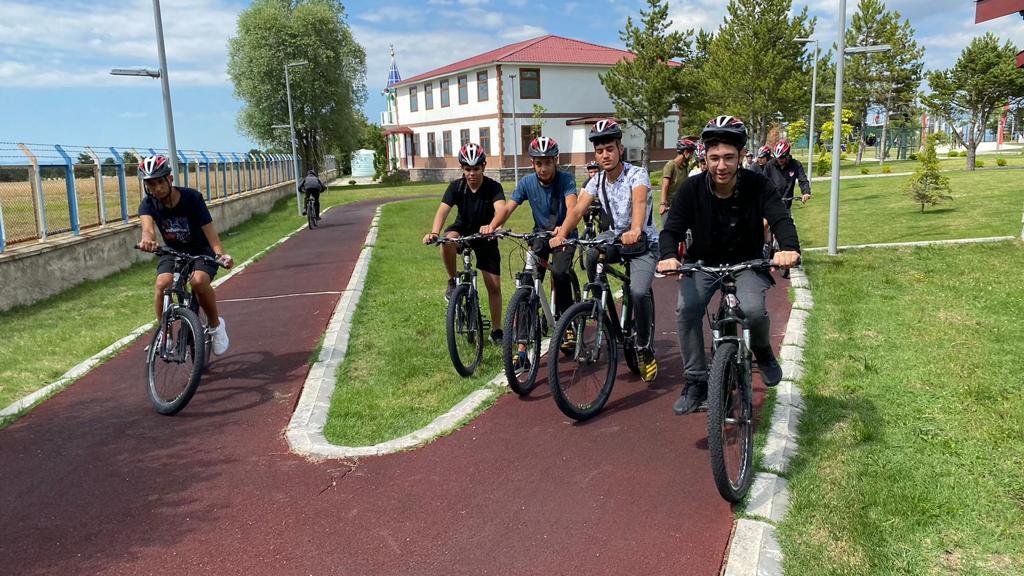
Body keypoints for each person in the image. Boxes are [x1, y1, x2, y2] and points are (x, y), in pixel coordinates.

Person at [657, 116, 801, 415]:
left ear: (741, 156)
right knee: (687, 309)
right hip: (702, 264)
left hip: (747, 261)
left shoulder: (758, 185)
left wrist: (788, 248)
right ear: (704, 157)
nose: (721, 166)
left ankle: (762, 350)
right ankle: (696, 380)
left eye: (728, 158)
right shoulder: (692, 189)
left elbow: (780, 218)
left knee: (752, 310)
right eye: (714, 158)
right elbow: (671, 229)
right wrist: (669, 254)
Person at [550, 118, 659, 382]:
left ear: (620, 149)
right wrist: (562, 234)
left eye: (609, 148)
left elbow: (640, 202)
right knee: (589, 254)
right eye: (599, 151)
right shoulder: (596, 181)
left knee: (639, 290)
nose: (605, 155)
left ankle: (643, 346)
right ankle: (601, 300)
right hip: (614, 239)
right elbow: (577, 209)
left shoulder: (637, 174)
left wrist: (634, 230)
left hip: (642, 241)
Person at [489, 136, 578, 368]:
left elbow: (572, 206)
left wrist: (563, 230)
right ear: (532, 163)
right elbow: (509, 207)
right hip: (540, 235)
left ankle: (567, 325)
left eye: (548, 162)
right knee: (527, 283)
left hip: (564, 234)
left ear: (555, 161)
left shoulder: (566, 180)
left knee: (559, 273)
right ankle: (521, 349)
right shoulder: (527, 183)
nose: (544, 168)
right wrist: (492, 226)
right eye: (539, 163)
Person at [136, 154, 234, 355]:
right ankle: (166, 335)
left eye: (159, 182)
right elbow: (148, 229)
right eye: (150, 184)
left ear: (170, 179)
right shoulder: (148, 204)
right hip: (173, 252)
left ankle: (216, 326)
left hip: (201, 251)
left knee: (198, 281)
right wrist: (148, 240)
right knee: (162, 284)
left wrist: (220, 255)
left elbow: (211, 233)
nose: (156, 188)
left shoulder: (192, 198)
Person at [423, 143, 506, 344]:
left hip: (486, 234)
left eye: (476, 168)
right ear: (462, 169)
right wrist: (434, 232)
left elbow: (502, 209)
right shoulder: (456, 187)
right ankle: (452, 281)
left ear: (484, 166)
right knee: (446, 241)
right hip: (463, 228)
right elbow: (443, 210)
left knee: (493, 286)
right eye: (467, 169)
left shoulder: (493, 187)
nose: (472, 174)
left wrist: (492, 226)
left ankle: (496, 331)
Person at [764, 139, 811, 208]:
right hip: (771, 203)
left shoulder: (796, 165)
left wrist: (806, 192)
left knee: (788, 218)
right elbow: (763, 181)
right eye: (777, 158)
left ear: (787, 155)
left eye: (782, 157)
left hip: (786, 204)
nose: (779, 160)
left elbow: (803, 180)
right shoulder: (770, 165)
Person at [660, 138, 697, 219]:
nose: (692, 155)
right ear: (685, 152)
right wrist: (663, 204)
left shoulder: (685, 166)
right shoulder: (670, 165)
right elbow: (665, 185)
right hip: (669, 206)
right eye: (691, 152)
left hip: (681, 204)